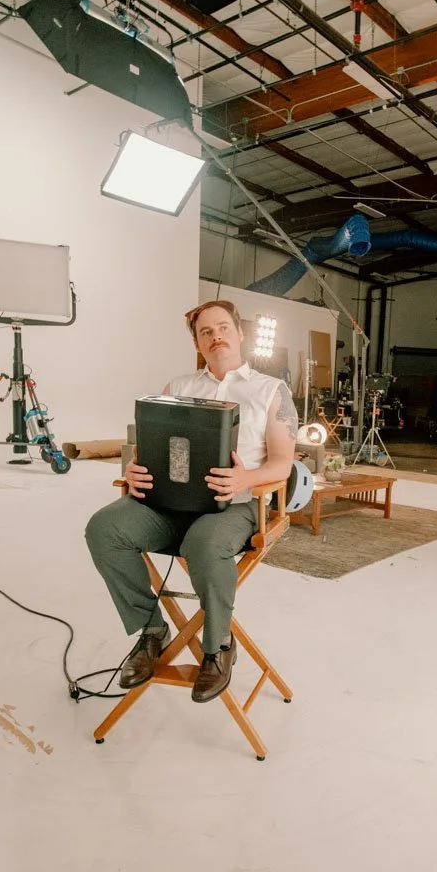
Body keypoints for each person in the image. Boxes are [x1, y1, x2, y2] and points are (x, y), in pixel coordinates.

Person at [84, 300, 298, 703]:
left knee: (204, 540)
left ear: (239, 332)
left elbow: (284, 464)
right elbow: (149, 450)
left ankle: (218, 647)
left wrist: (244, 479)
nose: (215, 335)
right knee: (104, 528)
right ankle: (152, 631)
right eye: (205, 332)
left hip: (237, 507)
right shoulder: (178, 389)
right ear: (198, 343)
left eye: (223, 327)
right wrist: (134, 469)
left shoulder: (271, 391)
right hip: (170, 505)